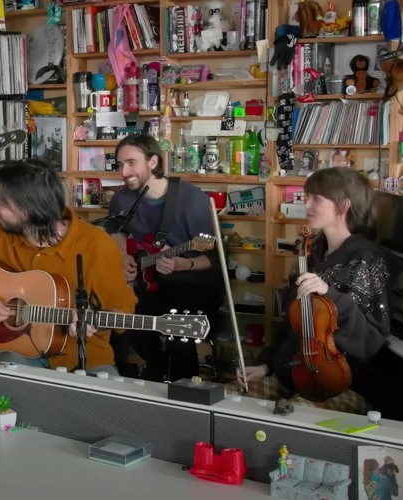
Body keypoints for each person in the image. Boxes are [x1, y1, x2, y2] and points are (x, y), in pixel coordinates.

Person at [0, 160, 137, 374]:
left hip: (87, 362)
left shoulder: (96, 245)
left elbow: (122, 310)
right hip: (15, 356)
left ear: (29, 209)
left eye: (4, 202)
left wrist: (94, 318)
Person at [237, 167, 401, 415]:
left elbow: (370, 340)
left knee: (296, 418)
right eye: (306, 197)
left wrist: (330, 294)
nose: (307, 205)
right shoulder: (313, 252)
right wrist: (266, 365)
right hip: (296, 375)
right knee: (232, 400)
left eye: (316, 198)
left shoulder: (368, 260)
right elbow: (293, 326)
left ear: (343, 206)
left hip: (342, 384)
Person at [105, 133, 223, 382]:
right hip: (144, 284)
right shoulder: (121, 199)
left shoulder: (193, 200)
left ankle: (183, 391)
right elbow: (116, 232)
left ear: (153, 162)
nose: (123, 171)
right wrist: (122, 256)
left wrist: (185, 263)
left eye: (131, 163)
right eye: (120, 164)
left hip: (190, 285)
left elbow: (215, 258)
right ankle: (134, 383)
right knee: (118, 324)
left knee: (178, 336)